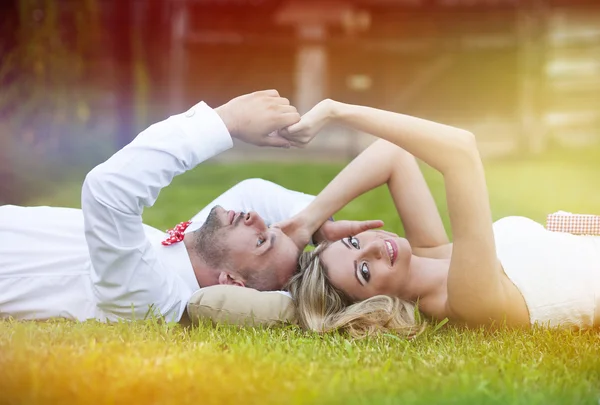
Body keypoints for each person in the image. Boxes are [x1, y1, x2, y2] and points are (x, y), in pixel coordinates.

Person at [0, 90, 380, 324]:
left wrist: (225, 120)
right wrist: (313, 224)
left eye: (262, 239)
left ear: (231, 281)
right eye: (272, 227)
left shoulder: (154, 295)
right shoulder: (180, 256)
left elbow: (108, 191)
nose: (254, 217)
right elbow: (254, 190)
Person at [280, 99, 600, 338]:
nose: (373, 248)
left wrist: (307, 221)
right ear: (373, 306)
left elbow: (393, 154)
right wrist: (335, 111)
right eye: (364, 271)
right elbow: (460, 152)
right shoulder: (467, 299)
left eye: (352, 243)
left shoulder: (433, 255)